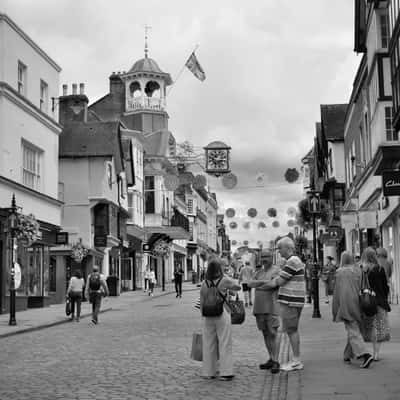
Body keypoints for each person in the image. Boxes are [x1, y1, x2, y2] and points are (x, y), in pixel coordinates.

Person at [260, 237, 305, 371]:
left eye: (280, 248)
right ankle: (285, 359)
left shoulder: (292, 261)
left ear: (288, 248)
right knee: (290, 330)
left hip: (290, 300)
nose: (279, 252)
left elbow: (278, 281)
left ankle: (296, 360)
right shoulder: (293, 261)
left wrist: (259, 285)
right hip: (293, 300)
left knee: (291, 330)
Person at [200, 257, 241, 381]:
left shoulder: (204, 283)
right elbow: (238, 287)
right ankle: (226, 372)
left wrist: (203, 314)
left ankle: (208, 372)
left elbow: (201, 301)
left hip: (207, 314)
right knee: (224, 342)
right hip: (222, 312)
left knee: (208, 343)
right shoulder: (224, 280)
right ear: (219, 268)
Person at [332, 251, 374, 368]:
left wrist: (335, 310)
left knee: (352, 330)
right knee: (354, 328)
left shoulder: (340, 273)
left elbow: (337, 293)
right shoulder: (358, 271)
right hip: (359, 303)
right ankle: (347, 354)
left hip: (346, 304)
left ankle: (365, 354)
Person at [247, 250, 281, 373]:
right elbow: (250, 284)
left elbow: (273, 284)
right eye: (262, 257)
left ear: (271, 257)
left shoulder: (277, 270)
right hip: (259, 307)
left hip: (272, 306)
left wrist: (259, 285)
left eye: (266, 257)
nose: (264, 259)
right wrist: (263, 283)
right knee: (265, 333)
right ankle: (271, 358)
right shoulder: (259, 272)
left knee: (273, 332)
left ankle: (276, 361)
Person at [361, 247, 391, 361]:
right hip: (380, 301)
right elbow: (385, 287)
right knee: (379, 327)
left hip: (367, 301)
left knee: (371, 327)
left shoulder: (364, 269)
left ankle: (361, 351)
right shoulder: (379, 269)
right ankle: (376, 353)